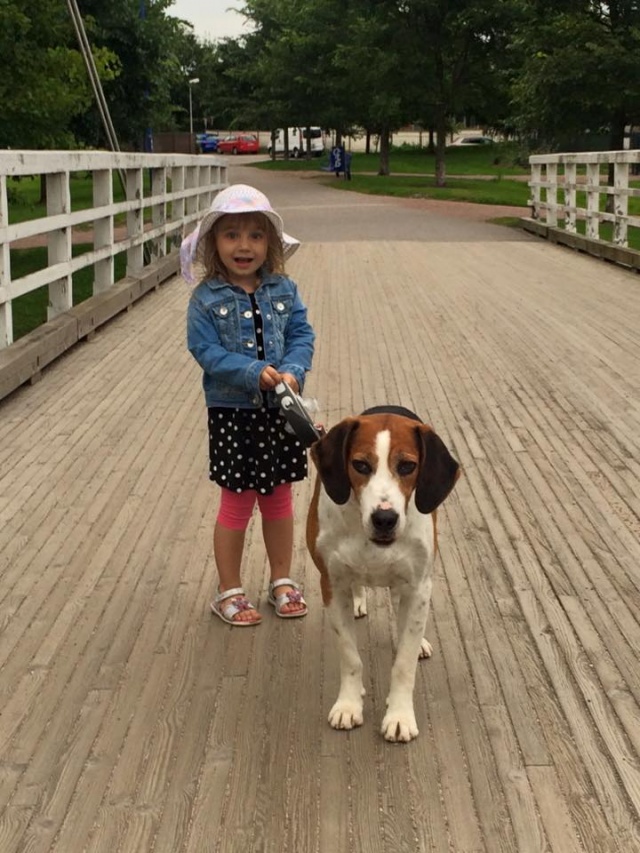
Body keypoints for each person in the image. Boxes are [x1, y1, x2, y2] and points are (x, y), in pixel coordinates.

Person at [186, 184, 315, 626]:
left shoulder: (284, 289)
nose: (244, 246)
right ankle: (230, 589)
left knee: (278, 498)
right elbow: (205, 350)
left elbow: (301, 334)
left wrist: (293, 369)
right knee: (237, 501)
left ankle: (281, 579)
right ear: (214, 243)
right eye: (232, 235)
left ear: (270, 243)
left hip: (280, 411)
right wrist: (250, 371)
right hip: (233, 415)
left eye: (256, 235)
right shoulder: (206, 299)